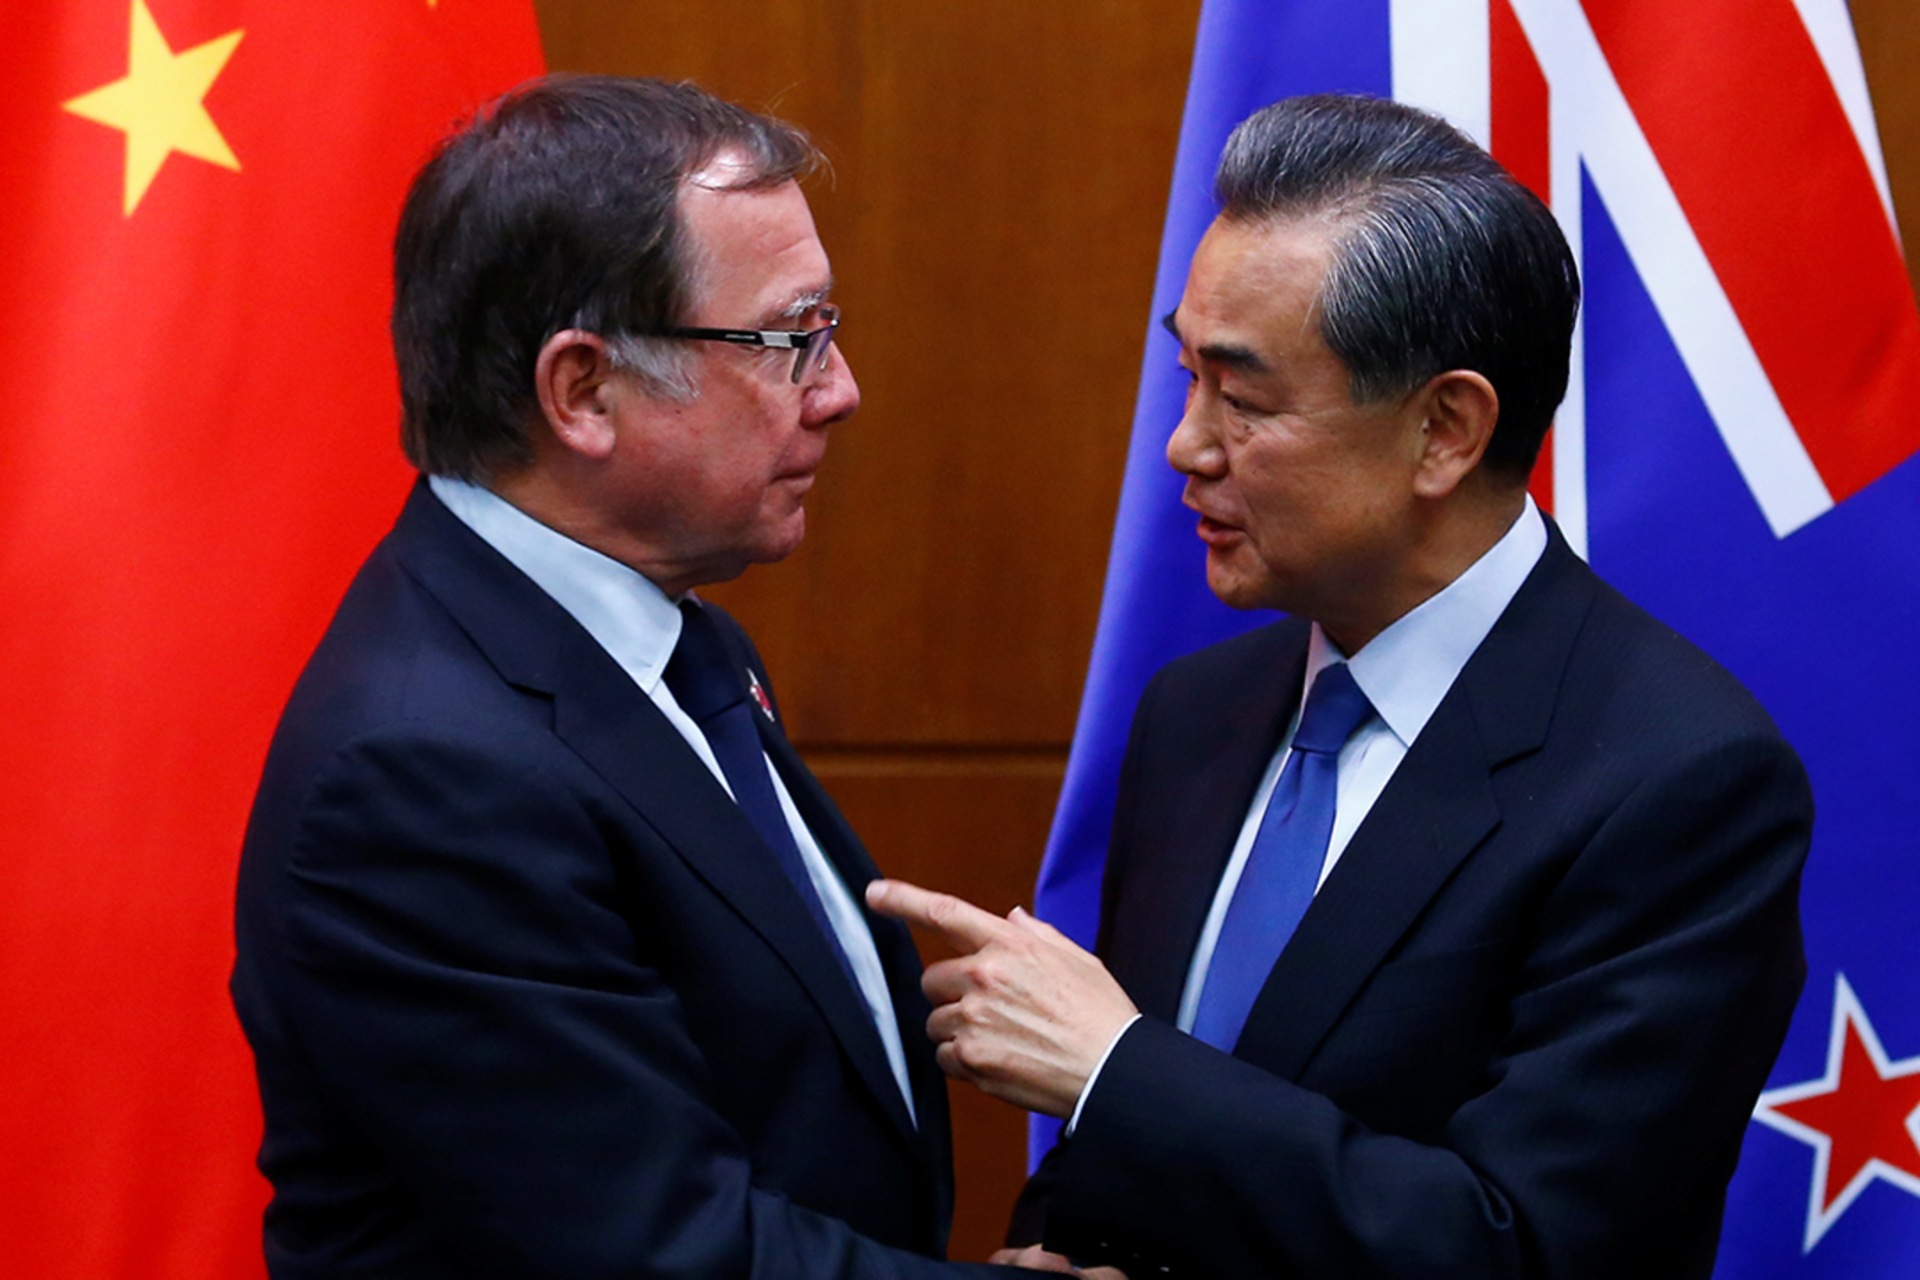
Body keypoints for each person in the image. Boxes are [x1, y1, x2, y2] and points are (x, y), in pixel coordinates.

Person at [868, 93, 1812, 1278]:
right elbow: (1147, 1141)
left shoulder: (1678, 778)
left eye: (1245, 398)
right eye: (1187, 374)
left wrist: (1114, 1065)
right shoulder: (1197, 711)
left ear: (1445, 430)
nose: (1185, 443)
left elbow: (1532, 1248)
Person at [231, 75, 1044, 1279]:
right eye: (791, 338)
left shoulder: (666, 626)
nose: (840, 389)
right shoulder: (422, 776)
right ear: (584, 391)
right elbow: (661, 1245)